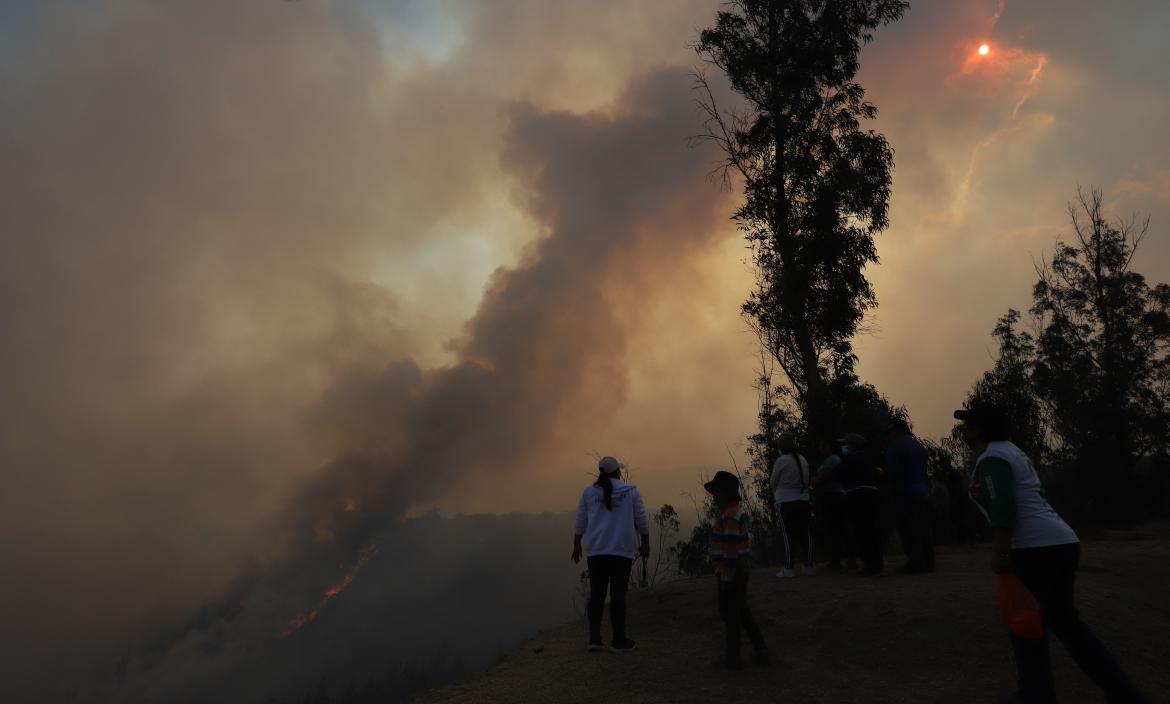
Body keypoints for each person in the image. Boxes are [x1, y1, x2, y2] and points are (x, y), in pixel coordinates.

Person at [955, 404, 1148, 704]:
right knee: (1069, 626)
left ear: (979, 429)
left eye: (968, 424)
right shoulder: (1013, 451)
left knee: (1025, 622)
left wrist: (1000, 552)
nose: (964, 430)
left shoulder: (992, 457)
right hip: (1061, 541)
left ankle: (1036, 694)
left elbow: (1004, 508)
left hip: (1034, 548)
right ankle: (1124, 694)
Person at [572, 456, 650, 653]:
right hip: (621, 551)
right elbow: (641, 518)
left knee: (597, 595)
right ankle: (618, 640)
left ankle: (595, 639)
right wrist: (645, 542)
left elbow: (581, 519)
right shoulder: (630, 491)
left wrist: (577, 544)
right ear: (617, 472)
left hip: (597, 551)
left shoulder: (589, 493)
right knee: (618, 595)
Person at [705, 470, 769, 669]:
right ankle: (760, 651)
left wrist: (725, 577)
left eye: (716, 491)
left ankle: (733, 656)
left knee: (732, 615)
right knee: (740, 612)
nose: (714, 496)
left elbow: (731, 550)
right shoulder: (731, 513)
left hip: (731, 571)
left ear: (727, 493)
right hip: (735, 570)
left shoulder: (731, 516)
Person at [885, 418, 935, 574]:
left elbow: (892, 471)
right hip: (922, 491)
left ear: (896, 430)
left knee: (908, 529)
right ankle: (928, 562)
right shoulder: (919, 446)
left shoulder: (895, 446)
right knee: (923, 529)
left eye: (890, 431)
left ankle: (915, 563)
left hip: (905, 492)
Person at [829, 433, 883, 575]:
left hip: (857, 496)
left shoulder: (850, 459)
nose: (843, 447)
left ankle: (869, 566)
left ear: (851, 446)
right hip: (872, 494)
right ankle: (877, 563)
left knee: (861, 531)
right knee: (873, 531)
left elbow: (837, 474)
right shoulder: (867, 458)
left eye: (845, 444)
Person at [770, 433, 814, 577]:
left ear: (781, 447)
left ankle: (789, 568)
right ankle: (808, 566)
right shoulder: (802, 459)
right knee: (805, 533)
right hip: (804, 500)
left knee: (788, 535)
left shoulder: (781, 461)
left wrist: (777, 496)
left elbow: (773, 481)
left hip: (785, 502)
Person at [813, 437, 854, 571]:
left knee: (837, 529)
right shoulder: (830, 460)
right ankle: (842, 559)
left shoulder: (832, 460)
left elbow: (821, 478)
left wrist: (814, 480)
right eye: (820, 446)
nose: (820, 448)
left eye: (823, 445)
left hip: (833, 497)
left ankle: (841, 560)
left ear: (830, 447)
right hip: (832, 496)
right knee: (836, 529)